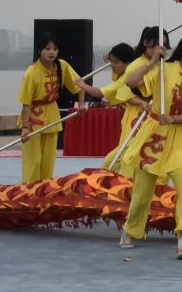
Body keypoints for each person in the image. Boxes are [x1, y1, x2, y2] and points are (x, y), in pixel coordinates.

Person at [120, 31, 182, 259]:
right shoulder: (164, 69)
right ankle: (130, 230)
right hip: (153, 138)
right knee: (142, 193)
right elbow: (130, 82)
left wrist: (172, 118)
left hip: (177, 139)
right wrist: (152, 60)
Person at [17, 35, 99, 183]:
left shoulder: (62, 66)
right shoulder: (31, 72)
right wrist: (25, 127)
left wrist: (81, 104)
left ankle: (45, 189)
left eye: (55, 49)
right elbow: (26, 103)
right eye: (47, 48)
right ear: (39, 51)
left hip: (51, 115)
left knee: (48, 160)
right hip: (33, 118)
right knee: (33, 161)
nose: (52, 52)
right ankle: (29, 189)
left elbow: (79, 84)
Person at [99, 38, 157, 173]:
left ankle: (129, 182)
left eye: (116, 62)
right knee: (113, 159)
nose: (112, 65)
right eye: (112, 61)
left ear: (127, 63)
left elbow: (129, 97)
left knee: (129, 154)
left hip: (138, 115)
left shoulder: (132, 72)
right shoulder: (120, 71)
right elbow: (106, 57)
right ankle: (108, 180)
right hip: (127, 116)